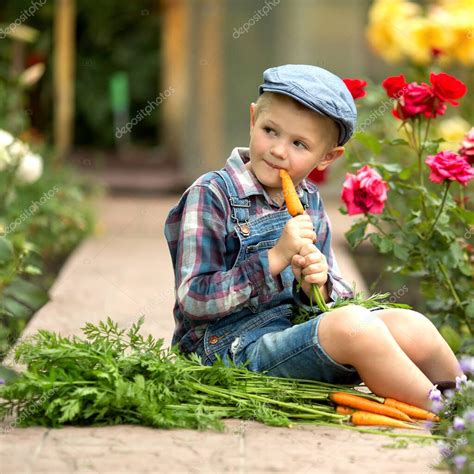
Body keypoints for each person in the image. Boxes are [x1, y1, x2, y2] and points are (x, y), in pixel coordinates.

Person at [164, 64, 464, 410]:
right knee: (352, 324)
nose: (278, 150)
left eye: (299, 144)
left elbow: (327, 302)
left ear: (327, 158)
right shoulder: (211, 194)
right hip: (223, 352)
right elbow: (194, 300)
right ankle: (444, 415)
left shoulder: (309, 200)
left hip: (291, 337)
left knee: (412, 324)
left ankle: (465, 401)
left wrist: (317, 287)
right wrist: (274, 259)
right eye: (270, 130)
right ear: (252, 119)